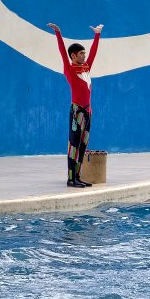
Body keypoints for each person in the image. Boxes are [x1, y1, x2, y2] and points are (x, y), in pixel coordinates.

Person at [49, 22, 102, 187]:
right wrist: (58, 33)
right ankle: (71, 178)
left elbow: (94, 53)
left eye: (84, 53)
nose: (85, 56)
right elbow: (62, 53)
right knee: (73, 145)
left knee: (83, 146)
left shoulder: (86, 68)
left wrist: (97, 35)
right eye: (81, 54)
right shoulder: (70, 70)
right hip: (76, 112)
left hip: (88, 112)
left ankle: (78, 177)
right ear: (73, 55)